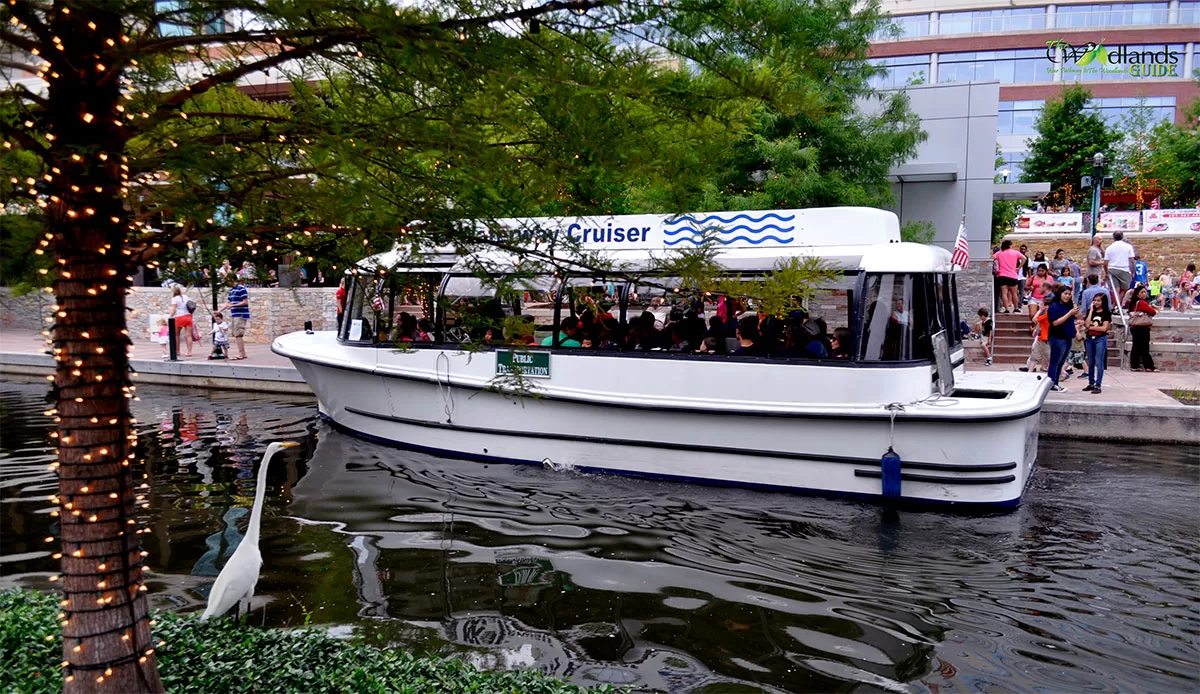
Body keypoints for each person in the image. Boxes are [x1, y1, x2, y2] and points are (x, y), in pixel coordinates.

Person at [1046, 286, 1079, 392]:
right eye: (1065, 294)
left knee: (1061, 363)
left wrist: (1073, 305)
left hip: (1067, 336)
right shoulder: (1055, 306)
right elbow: (1055, 322)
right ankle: (1051, 383)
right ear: (1060, 294)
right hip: (1057, 337)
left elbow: (1077, 315)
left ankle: (1056, 383)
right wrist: (1069, 314)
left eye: (1069, 294)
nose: (1067, 296)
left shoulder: (1068, 306)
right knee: (1055, 362)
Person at [1082, 294, 1111, 394]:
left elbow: (1104, 328)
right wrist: (1090, 311)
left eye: (1098, 301)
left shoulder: (1106, 313)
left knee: (1099, 362)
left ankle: (1098, 385)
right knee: (1090, 361)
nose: (1096, 302)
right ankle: (1091, 382)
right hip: (1089, 339)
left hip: (1100, 339)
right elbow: (1086, 324)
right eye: (1094, 300)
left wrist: (1090, 328)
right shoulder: (1092, 312)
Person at [1126, 285, 1157, 371]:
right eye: (1142, 292)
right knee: (1144, 347)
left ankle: (1134, 365)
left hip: (1135, 327)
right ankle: (1149, 366)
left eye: (1145, 292)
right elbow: (1153, 312)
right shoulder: (1142, 303)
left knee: (1136, 347)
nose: (1144, 294)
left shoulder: (1134, 303)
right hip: (1142, 327)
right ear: (1137, 294)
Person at [220, 276, 250, 360]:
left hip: (241, 314)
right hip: (235, 314)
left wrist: (233, 305)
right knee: (236, 334)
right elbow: (228, 303)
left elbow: (245, 302)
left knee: (238, 334)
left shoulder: (241, 288)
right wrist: (219, 311)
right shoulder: (231, 290)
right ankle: (242, 353)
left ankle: (241, 354)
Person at [1019, 297, 1051, 373]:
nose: (1041, 305)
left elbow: (1035, 319)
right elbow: (1039, 322)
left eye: (1043, 304)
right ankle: (1029, 372)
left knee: (1050, 358)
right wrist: (1036, 329)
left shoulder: (1047, 314)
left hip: (1045, 339)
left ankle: (1062, 373)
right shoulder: (1045, 314)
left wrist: (1040, 310)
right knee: (1034, 356)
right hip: (1041, 338)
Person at [992, 240, 1023, 313]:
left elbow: (992, 258)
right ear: (1009, 245)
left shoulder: (999, 253)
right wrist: (1018, 267)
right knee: (1014, 293)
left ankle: (1006, 309)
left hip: (1002, 275)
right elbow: (1024, 258)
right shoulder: (1015, 252)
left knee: (1004, 293)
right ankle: (1016, 308)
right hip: (1013, 275)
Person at [170, 285, 194, 357]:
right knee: (188, 335)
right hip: (188, 316)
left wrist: (170, 316)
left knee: (177, 335)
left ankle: (177, 351)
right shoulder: (185, 297)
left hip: (179, 317)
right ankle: (189, 351)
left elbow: (174, 309)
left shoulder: (174, 299)